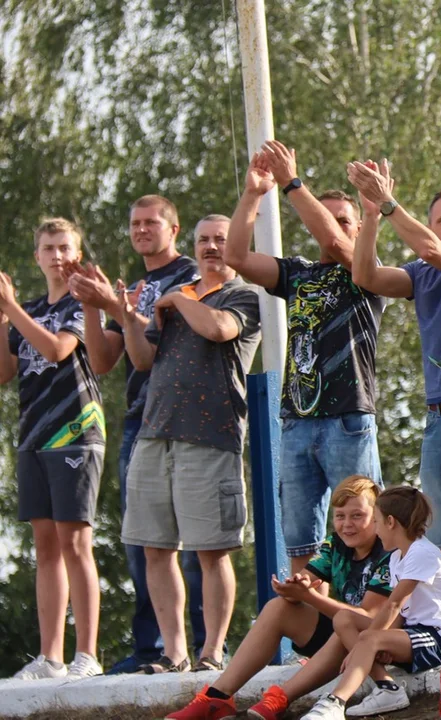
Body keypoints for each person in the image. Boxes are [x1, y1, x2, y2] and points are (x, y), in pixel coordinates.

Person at [224, 145, 384, 576]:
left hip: (347, 421)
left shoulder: (366, 272)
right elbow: (235, 257)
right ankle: (310, 639)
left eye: (343, 219)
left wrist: (293, 184)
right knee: (301, 541)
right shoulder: (299, 272)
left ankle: (358, 631)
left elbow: (335, 240)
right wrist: (254, 194)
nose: (331, 228)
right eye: (325, 217)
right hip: (296, 420)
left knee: (363, 532)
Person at [66, 195, 206, 674]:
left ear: (173, 227)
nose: (142, 229)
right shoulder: (137, 285)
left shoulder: (192, 276)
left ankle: (207, 649)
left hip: (189, 420)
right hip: (139, 423)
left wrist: (116, 307)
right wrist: (93, 306)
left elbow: (167, 342)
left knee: (198, 543)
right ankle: (156, 651)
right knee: (144, 543)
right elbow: (104, 360)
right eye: (135, 223)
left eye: (151, 222)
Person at [346, 158, 441, 634]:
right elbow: (365, 276)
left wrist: (388, 203)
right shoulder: (421, 272)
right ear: (430, 225)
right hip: (439, 418)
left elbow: (431, 250)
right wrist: (369, 215)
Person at [120, 215, 262, 673]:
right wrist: (126, 317)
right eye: (203, 240)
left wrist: (180, 299)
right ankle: (174, 652)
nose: (211, 247)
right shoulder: (179, 298)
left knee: (211, 549)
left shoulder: (243, 295)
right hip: (153, 434)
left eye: (220, 239)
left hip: (211, 438)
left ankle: (212, 652)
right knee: (155, 548)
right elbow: (142, 360)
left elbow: (219, 329)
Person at [165, 476, 392, 720]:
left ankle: (278, 700)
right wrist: (292, 589)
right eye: (340, 516)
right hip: (345, 632)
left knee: (343, 623)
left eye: (357, 516)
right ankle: (217, 697)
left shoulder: (388, 550)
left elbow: (369, 617)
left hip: (380, 640)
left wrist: (309, 597)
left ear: (377, 517)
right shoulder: (336, 544)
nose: (347, 524)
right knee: (278, 607)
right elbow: (305, 581)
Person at [1, 219, 104, 680]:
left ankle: (87, 653)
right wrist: (2, 318)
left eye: (64, 247)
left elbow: (59, 349)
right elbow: (5, 370)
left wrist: (13, 313)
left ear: (76, 252)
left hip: (76, 434)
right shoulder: (29, 307)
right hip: (33, 435)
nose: (57, 256)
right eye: (49, 248)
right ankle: (51, 657)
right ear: (37, 256)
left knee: (75, 542)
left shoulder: (81, 303)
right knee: (45, 545)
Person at [300, 487, 441, 720]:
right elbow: (400, 615)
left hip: (440, 641)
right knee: (344, 618)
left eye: (375, 522)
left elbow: (394, 605)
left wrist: (363, 646)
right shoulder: (398, 557)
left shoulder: (422, 552)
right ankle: (387, 687)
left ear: (390, 522)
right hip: (413, 634)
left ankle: (335, 703)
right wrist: (386, 642)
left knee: (369, 636)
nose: (375, 530)